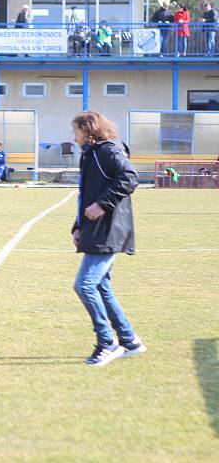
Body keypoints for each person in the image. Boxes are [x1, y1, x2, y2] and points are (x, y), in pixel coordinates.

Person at [71, 111, 146, 367]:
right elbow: (87, 194)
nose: (74, 136)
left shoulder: (107, 151)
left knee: (84, 285)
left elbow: (130, 177)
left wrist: (102, 205)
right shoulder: (91, 155)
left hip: (109, 230)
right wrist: (77, 226)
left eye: (77, 131)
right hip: (96, 229)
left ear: (89, 130)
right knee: (101, 287)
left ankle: (107, 343)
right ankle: (129, 340)